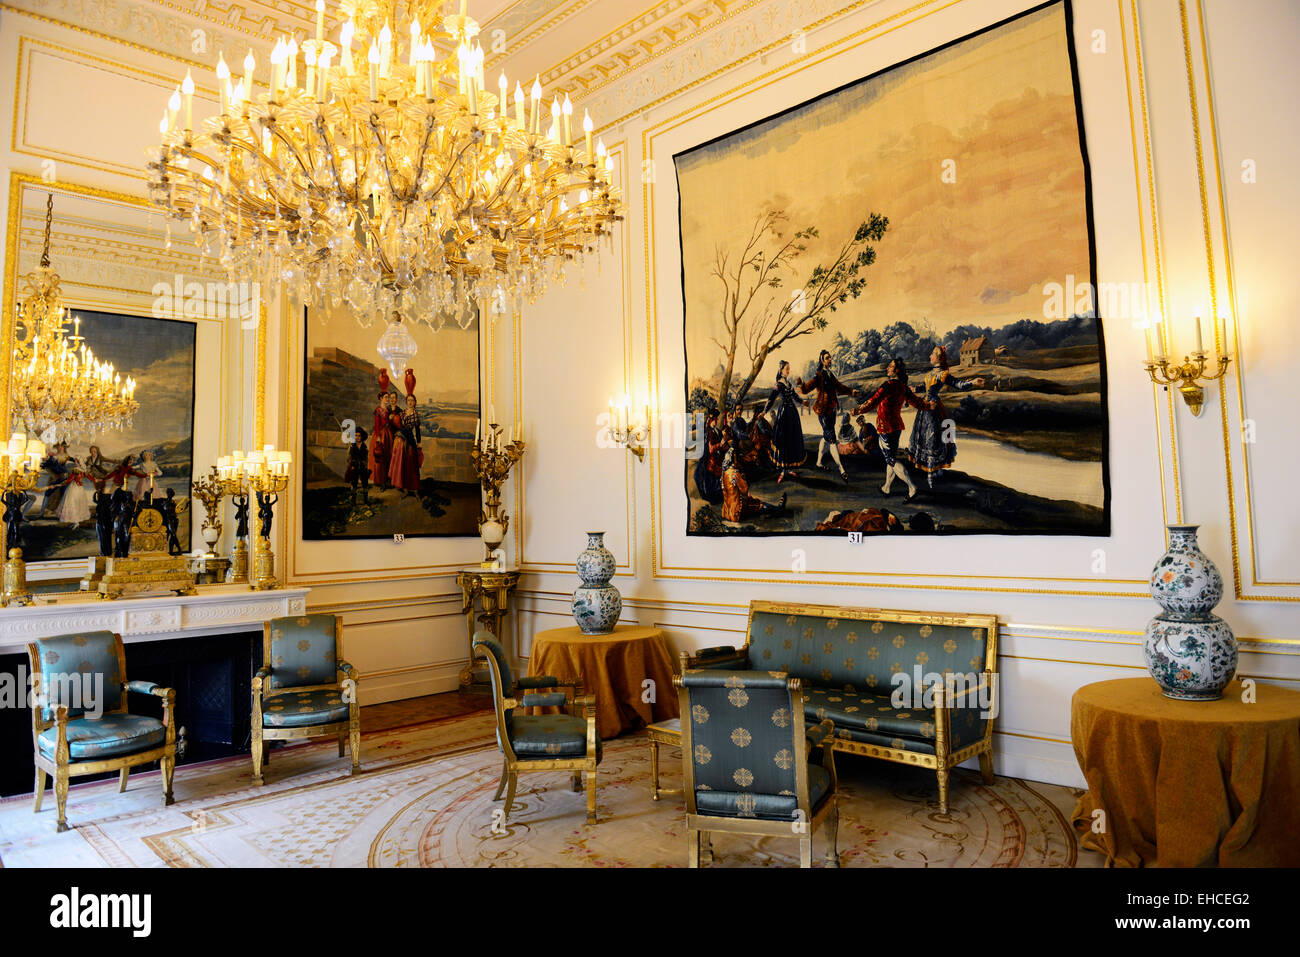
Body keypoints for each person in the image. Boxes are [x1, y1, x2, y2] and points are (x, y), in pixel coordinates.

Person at [909, 345, 986, 489]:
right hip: (924, 408)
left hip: (934, 408)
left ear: (938, 358)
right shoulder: (931, 372)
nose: (930, 356)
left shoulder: (943, 374)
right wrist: (915, 389)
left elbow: (959, 384)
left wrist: (973, 382)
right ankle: (930, 472)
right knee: (923, 437)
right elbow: (925, 388)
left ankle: (933, 474)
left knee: (933, 438)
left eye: (932, 354)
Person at [854, 357, 927, 500]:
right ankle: (886, 488)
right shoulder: (903, 387)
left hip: (886, 427)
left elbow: (873, 401)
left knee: (891, 460)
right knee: (890, 458)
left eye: (890, 366)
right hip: (896, 427)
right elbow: (916, 402)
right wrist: (927, 406)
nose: (887, 368)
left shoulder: (888, 385)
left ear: (896, 370)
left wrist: (859, 410)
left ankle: (912, 488)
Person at [797, 349, 861, 482]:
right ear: (822, 361)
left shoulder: (830, 375)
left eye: (830, 358)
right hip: (823, 412)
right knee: (832, 439)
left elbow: (840, 387)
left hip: (831, 411)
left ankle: (819, 463)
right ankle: (841, 469)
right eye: (827, 358)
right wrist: (801, 385)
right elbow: (806, 388)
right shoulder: (819, 375)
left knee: (826, 437)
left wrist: (851, 392)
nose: (830, 360)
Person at [763, 360, 807, 483]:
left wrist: (803, 402)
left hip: (792, 414)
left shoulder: (788, 383)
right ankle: (783, 470)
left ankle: (790, 468)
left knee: (792, 439)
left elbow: (795, 397)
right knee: (783, 441)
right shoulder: (779, 384)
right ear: (781, 370)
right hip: (784, 415)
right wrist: (765, 411)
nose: (788, 370)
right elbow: (771, 399)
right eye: (787, 368)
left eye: (789, 368)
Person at [720, 449, 786, 522]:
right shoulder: (735, 474)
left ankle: (775, 509)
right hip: (737, 513)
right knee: (758, 504)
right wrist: (743, 478)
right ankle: (778, 509)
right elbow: (745, 490)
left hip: (727, 512)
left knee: (752, 500)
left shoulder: (725, 473)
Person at [388, 394, 422, 495]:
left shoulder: (415, 415)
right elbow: (397, 425)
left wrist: (419, 444)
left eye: (412, 400)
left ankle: (415, 489)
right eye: (408, 400)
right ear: (406, 402)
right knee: (402, 465)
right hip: (401, 441)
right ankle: (405, 489)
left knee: (412, 464)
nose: (410, 402)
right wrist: (392, 419)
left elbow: (418, 431)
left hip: (410, 440)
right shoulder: (402, 413)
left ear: (415, 402)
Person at [692, 409, 725, 504]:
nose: (715, 422)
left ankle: (711, 498)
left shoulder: (718, 432)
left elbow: (717, 447)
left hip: (713, 459)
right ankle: (705, 497)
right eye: (713, 419)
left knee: (711, 481)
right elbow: (710, 448)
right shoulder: (707, 430)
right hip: (705, 457)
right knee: (698, 476)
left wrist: (723, 445)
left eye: (716, 419)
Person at [369, 391, 394, 491]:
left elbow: (388, 424)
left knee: (388, 456)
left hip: (388, 435)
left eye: (388, 397)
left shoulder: (387, 410)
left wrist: (390, 419)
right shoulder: (378, 410)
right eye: (386, 397)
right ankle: (381, 481)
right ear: (381, 398)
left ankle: (387, 480)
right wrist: (379, 437)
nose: (387, 399)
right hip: (380, 435)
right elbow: (376, 425)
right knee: (380, 458)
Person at [56, 459, 93, 527]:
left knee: (75, 503)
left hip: (76, 488)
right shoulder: (80, 470)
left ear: (80, 463)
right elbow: (71, 479)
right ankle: (75, 522)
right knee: (73, 503)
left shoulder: (80, 470)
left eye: (77, 462)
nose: (75, 463)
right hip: (76, 488)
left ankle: (76, 522)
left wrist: (63, 483)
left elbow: (70, 479)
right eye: (75, 462)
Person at [815, 508, 902, 534]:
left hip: (849, 520)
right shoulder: (878, 516)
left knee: (834, 515)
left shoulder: (878, 523)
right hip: (848, 518)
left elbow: (857, 526)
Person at [345, 426, 371, 501]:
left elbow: (366, 458)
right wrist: (351, 465)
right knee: (354, 483)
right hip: (354, 466)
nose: (357, 437)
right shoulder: (352, 447)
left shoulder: (364, 447)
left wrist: (366, 465)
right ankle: (353, 500)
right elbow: (349, 457)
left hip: (362, 466)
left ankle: (366, 500)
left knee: (365, 483)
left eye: (359, 436)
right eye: (355, 435)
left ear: (362, 437)